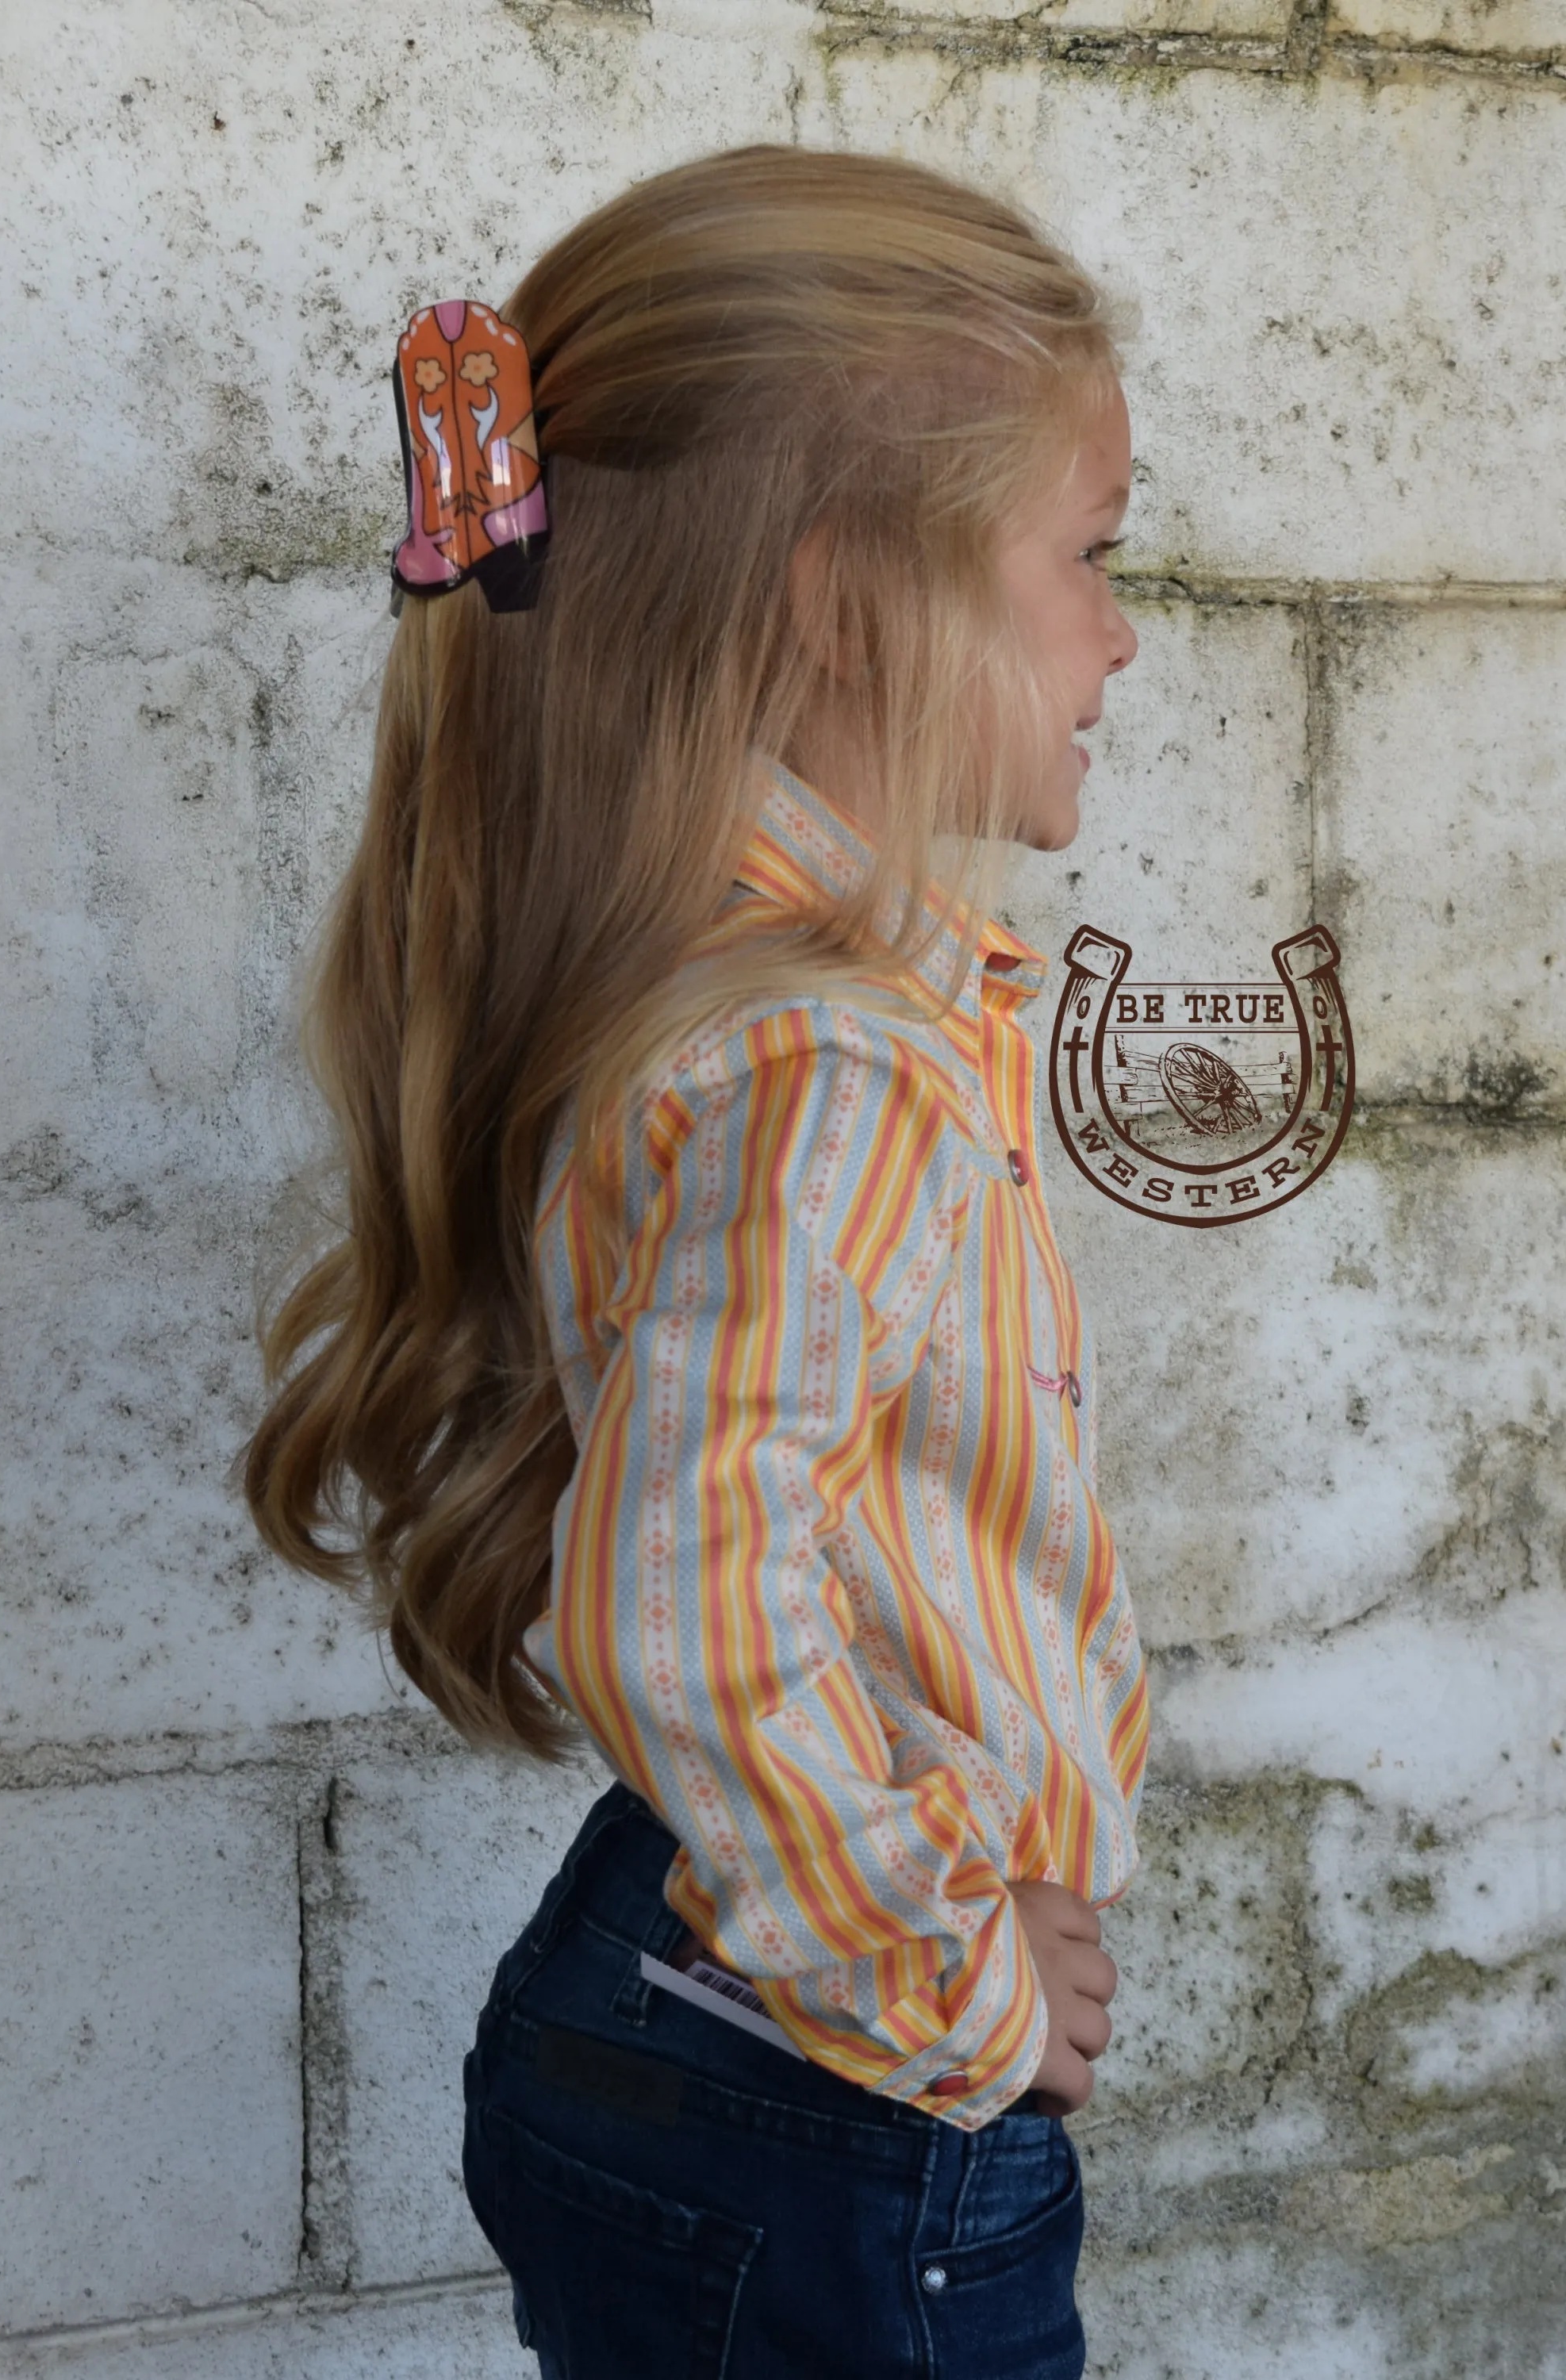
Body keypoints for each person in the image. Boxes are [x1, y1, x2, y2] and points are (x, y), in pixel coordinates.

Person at [244, 144, 1150, 2380]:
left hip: (689, 2002)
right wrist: (950, 1976)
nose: (1123, 633)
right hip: (817, 2087)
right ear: (852, 597)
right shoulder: (820, 1057)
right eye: (1092, 560)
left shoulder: (744, 999)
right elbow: (693, 1610)